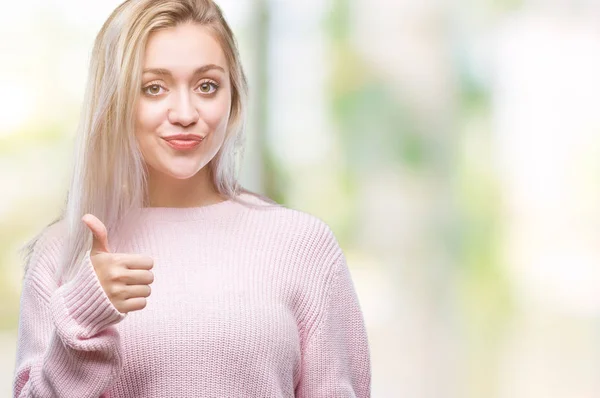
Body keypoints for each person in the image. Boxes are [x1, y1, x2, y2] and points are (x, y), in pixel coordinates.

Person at [12, 0, 371, 396]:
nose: (185, 113)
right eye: (154, 88)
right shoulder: (63, 254)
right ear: (115, 101)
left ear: (232, 98)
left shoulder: (303, 246)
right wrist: (82, 316)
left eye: (206, 86)